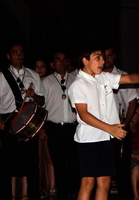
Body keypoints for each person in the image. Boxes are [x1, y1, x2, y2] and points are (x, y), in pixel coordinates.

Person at [68, 45, 139, 200]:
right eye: (97, 57)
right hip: (88, 139)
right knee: (88, 182)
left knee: (105, 181)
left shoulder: (104, 77)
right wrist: (110, 128)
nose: (102, 61)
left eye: (103, 57)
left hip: (106, 138)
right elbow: (83, 115)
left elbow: (129, 78)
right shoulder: (78, 84)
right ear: (85, 61)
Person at [0, 44, 45, 200]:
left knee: (31, 164)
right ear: (8, 56)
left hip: (28, 120)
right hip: (8, 120)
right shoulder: (2, 75)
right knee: (7, 164)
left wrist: (34, 95)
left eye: (21, 52)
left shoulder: (33, 74)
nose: (18, 55)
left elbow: (42, 100)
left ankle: (32, 195)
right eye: (15, 52)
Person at [103, 46, 139, 200]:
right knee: (104, 167)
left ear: (114, 57)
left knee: (122, 166)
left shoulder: (124, 75)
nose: (107, 59)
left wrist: (127, 121)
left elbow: (132, 102)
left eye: (110, 55)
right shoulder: (96, 77)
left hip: (121, 126)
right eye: (104, 56)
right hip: (103, 128)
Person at [42, 50, 80, 200]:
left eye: (64, 60)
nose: (61, 62)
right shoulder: (46, 81)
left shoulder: (76, 79)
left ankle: (75, 193)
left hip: (73, 126)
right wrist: (42, 127)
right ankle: (63, 193)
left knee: (74, 162)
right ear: (52, 64)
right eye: (58, 60)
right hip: (54, 127)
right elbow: (41, 106)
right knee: (58, 163)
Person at [34, 59, 56, 199]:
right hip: (34, 125)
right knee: (37, 160)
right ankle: (39, 188)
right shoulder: (33, 83)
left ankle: (52, 188)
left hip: (47, 123)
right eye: (36, 67)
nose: (39, 69)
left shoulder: (49, 82)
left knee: (49, 158)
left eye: (42, 66)